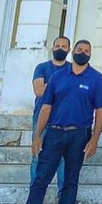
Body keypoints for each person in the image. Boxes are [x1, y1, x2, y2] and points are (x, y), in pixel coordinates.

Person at [12, 40, 102, 204]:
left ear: (91, 54)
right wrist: (37, 135)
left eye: (87, 51)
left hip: (79, 135)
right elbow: (46, 107)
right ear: (73, 52)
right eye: (79, 50)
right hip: (54, 134)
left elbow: (100, 110)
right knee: (40, 179)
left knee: (70, 181)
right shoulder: (57, 77)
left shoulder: (96, 79)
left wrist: (95, 139)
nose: (83, 53)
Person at [29, 35, 71, 195]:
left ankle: (64, 196)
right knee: (37, 156)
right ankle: (34, 193)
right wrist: (62, 86)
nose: (60, 48)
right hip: (41, 119)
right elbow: (39, 90)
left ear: (69, 50)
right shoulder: (42, 67)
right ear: (53, 48)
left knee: (64, 160)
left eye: (64, 46)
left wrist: (51, 86)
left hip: (64, 120)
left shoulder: (72, 68)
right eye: (57, 45)